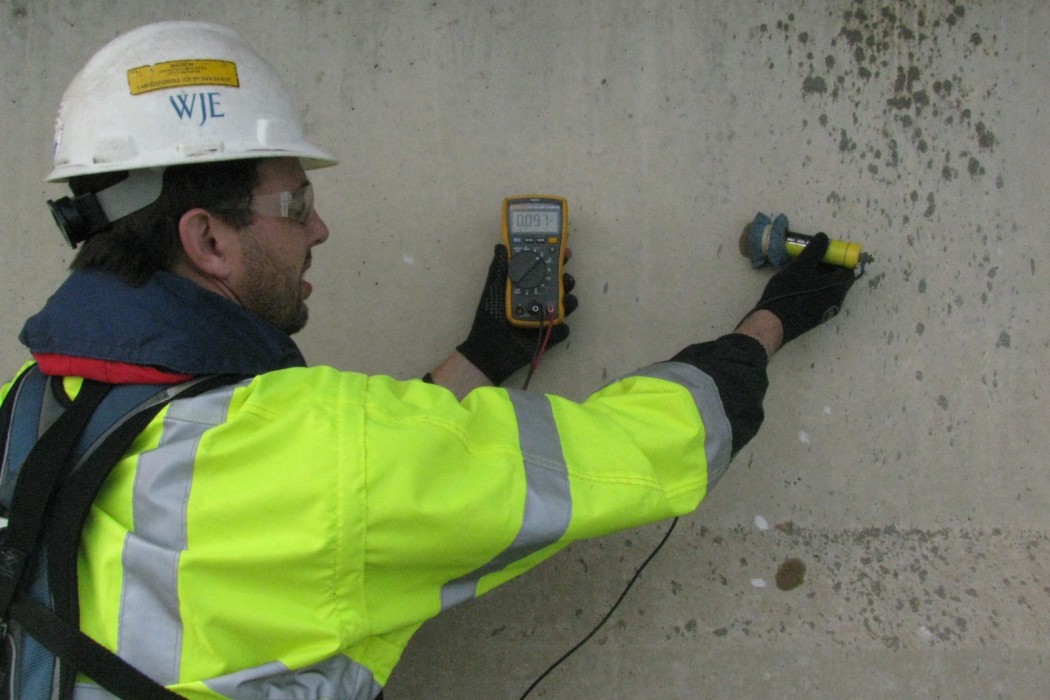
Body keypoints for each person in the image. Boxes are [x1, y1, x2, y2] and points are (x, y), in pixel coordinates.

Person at [0, 21, 856, 700]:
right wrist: (769, 324)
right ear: (209, 240)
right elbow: (637, 454)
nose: (319, 228)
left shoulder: (23, 410)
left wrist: (484, 355)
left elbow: (340, 500)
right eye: (295, 202)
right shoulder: (321, 449)